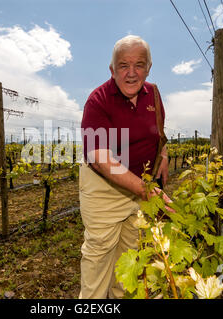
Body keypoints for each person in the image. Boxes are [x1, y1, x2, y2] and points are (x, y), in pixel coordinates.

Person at [79, 35, 172, 299]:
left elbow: (158, 130)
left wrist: (163, 153)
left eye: (139, 65)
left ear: (149, 67)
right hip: (104, 187)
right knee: (99, 251)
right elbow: (99, 157)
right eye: (123, 65)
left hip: (140, 183)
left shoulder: (153, 93)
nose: (131, 73)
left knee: (131, 250)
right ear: (112, 69)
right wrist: (147, 191)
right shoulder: (98, 101)